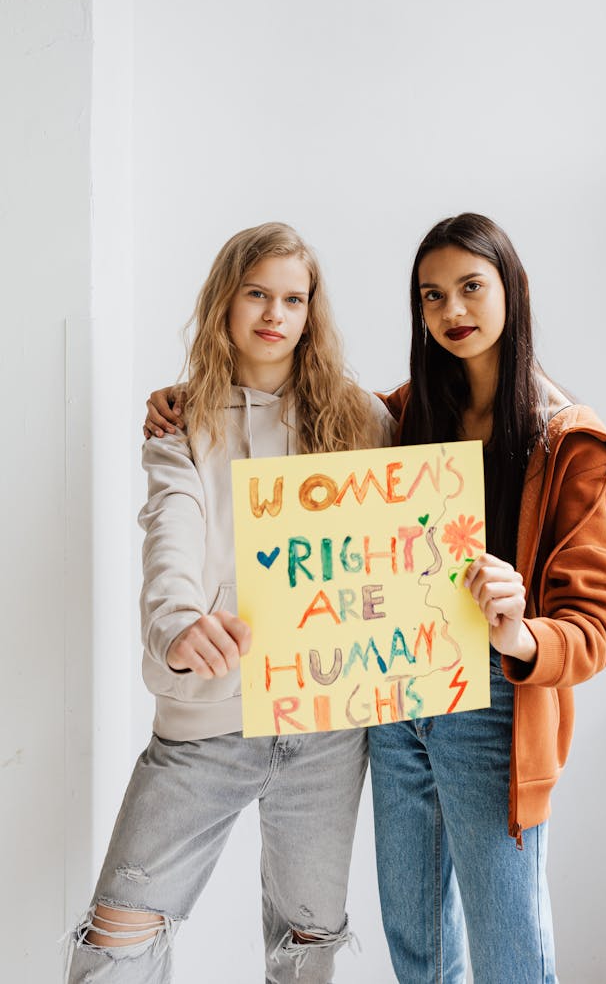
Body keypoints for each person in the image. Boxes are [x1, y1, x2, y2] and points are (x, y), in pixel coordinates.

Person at [144, 213, 606, 984]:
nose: (452, 310)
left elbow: (594, 627)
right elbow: (296, 407)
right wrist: (199, 394)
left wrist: (523, 634)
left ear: (516, 291)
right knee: (416, 942)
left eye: (471, 287)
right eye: (432, 295)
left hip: (494, 703)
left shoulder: (568, 440)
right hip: (394, 693)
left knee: (510, 948)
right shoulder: (405, 414)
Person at [67, 222, 393, 984]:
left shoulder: (361, 420)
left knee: (307, 948)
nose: (274, 313)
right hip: (205, 722)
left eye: (293, 298)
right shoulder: (183, 422)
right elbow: (169, 534)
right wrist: (176, 625)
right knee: (116, 939)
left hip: (325, 728)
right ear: (225, 300)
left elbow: (409, 520)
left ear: (312, 312)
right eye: (257, 293)